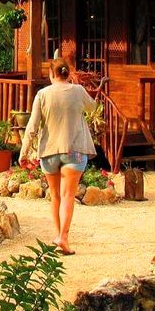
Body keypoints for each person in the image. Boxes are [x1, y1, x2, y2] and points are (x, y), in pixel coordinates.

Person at [19, 57, 96, 255]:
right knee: (68, 195)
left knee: (55, 196)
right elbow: (93, 107)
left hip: (49, 152)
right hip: (75, 151)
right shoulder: (78, 91)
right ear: (68, 74)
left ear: (52, 75)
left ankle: (57, 235)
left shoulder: (42, 94)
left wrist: (24, 152)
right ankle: (64, 237)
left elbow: (33, 126)